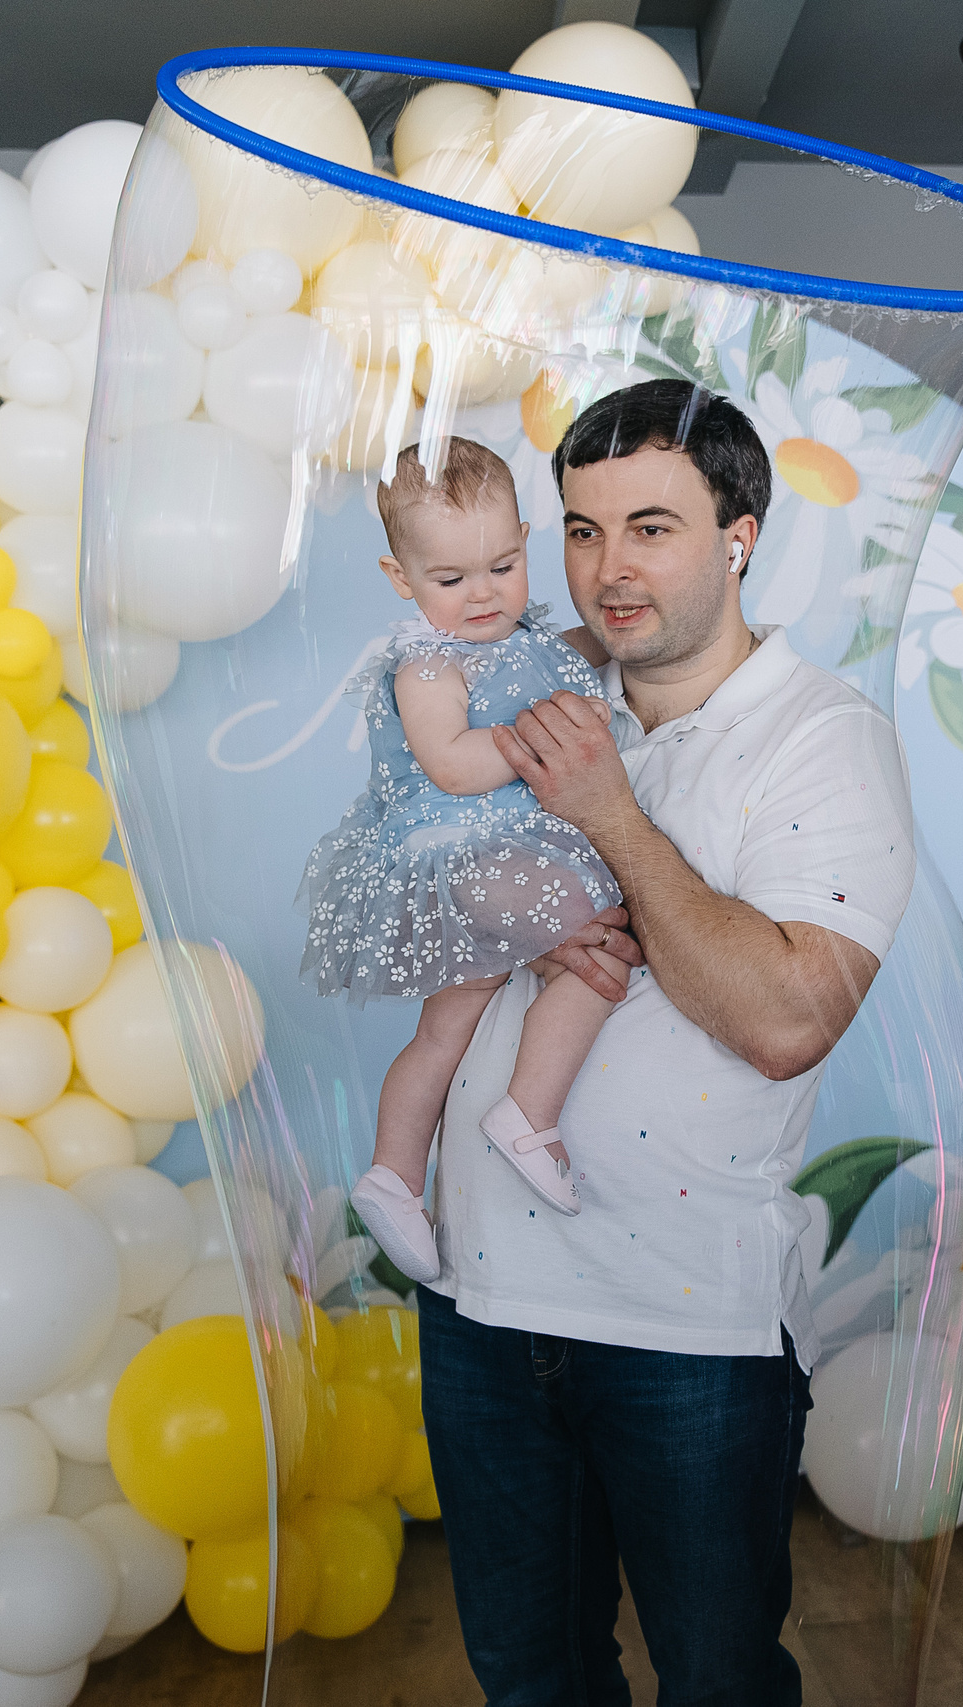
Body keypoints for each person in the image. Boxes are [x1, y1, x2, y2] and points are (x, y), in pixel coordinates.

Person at [414, 378, 916, 1706]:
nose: (608, 569)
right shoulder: (527, 688)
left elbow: (787, 1019)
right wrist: (510, 917)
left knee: (717, 1681)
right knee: (530, 1677)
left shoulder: (822, 739)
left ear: (739, 537)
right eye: (582, 531)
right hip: (478, 1299)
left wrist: (610, 818)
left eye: (651, 527)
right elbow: (406, 902)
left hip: (683, 1325)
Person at [301, 438, 634, 1286]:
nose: (482, 594)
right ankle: (529, 1111)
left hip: (490, 857)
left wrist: (615, 644)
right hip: (465, 856)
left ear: (525, 542)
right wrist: (546, 733)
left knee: (446, 1028)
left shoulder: (523, 638)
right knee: (602, 943)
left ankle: (393, 1176)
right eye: (451, 579)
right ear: (400, 577)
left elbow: (569, 653)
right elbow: (450, 764)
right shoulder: (427, 665)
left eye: (503, 567)